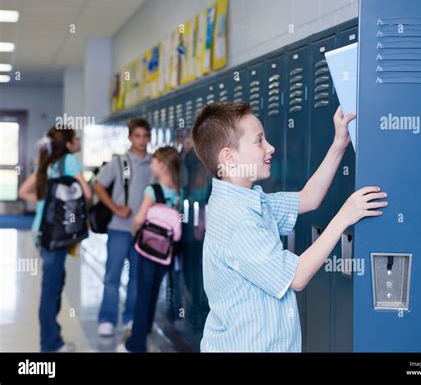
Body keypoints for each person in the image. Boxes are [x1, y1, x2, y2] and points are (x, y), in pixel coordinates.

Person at [191, 103, 388, 352]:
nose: (270, 148)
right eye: (259, 141)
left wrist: (339, 144)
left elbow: (308, 198)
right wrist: (344, 217)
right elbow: (297, 277)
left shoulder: (249, 199)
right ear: (229, 158)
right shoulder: (238, 220)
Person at [19, 127, 92, 352]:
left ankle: (53, 339)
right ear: (69, 144)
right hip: (57, 233)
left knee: (54, 283)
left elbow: (23, 191)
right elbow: (87, 194)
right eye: (76, 137)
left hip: (41, 231)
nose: (79, 140)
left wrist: (43, 201)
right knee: (51, 287)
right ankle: (49, 344)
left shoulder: (47, 162)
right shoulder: (68, 161)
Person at [116, 146, 181, 352]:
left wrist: (135, 234)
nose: (151, 165)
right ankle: (145, 330)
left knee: (142, 294)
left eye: (154, 162)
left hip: (147, 250)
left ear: (162, 166)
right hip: (166, 252)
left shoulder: (152, 190)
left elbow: (139, 218)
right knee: (153, 292)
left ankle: (135, 344)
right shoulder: (178, 191)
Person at [95, 118, 154, 336]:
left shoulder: (153, 163)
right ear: (130, 137)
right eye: (137, 136)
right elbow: (99, 185)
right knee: (112, 275)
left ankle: (130, 318)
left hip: (143, 231)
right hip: (119, 229)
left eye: (145, 136)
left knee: (137, 277)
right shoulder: (121, 162)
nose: (142, 140)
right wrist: (116, 208)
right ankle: (107, 319)